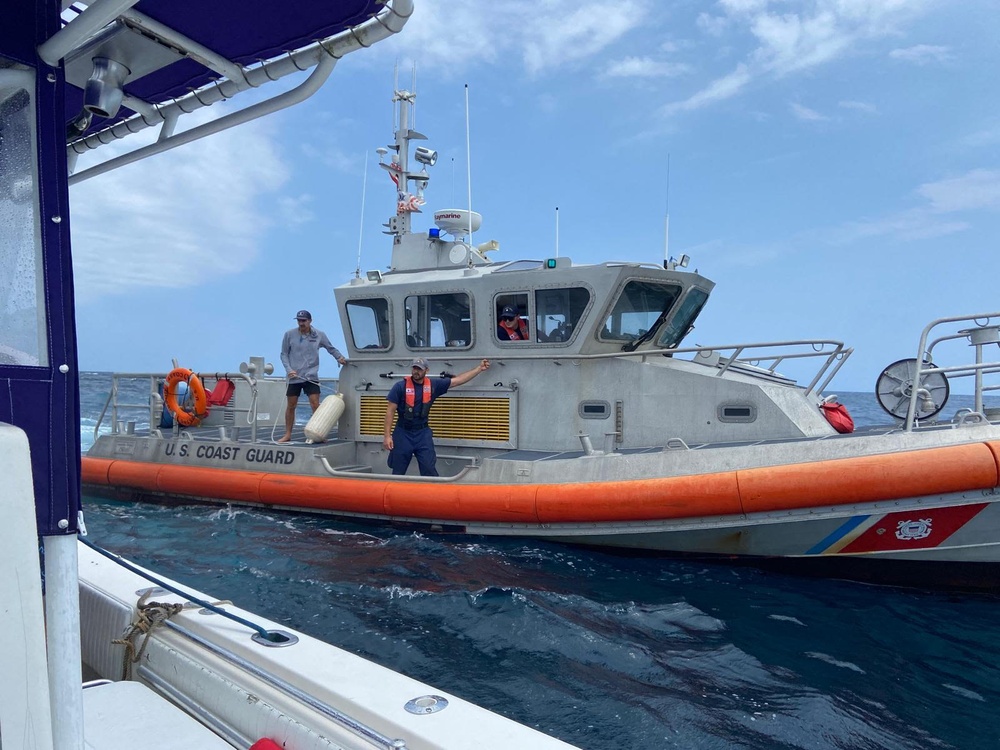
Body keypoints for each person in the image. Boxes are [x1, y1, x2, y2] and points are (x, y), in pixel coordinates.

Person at [383, 357, 490, 476]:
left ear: (426, 370)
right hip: (403, 433)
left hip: (422, 434)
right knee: (398, 470)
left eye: (419, 369)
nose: (416, 371)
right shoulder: (399, 387)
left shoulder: (434, 385)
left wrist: (479, 368)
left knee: (429, 468)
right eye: (414, 368)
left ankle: (430, 493)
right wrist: (387, 436)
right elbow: (390, 412)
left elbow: (458, 380)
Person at [278, 309, 346, 443]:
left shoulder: (319, 335)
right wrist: (288, 369)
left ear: (310, 321)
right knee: (291, 405)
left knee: (315, 404)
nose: (301, 323)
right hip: (294, 377)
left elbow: (330, 348)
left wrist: (339, 358)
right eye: (299, 320)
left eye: (303, 321)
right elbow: (284, 354)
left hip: (311, 377)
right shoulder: (289, 334)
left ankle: (319, 433)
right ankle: (287, 434)